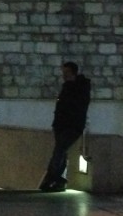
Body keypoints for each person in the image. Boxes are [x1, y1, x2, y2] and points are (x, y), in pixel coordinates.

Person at [39, 61, 91, 192]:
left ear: (73, 72)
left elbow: (74, 106)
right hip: (62, 125)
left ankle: (52, 178)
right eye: (63, 72)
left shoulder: (79, 88)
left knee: (59, 151)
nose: (64, 75)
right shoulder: (69, 86)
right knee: (60, 151)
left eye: (66, 72)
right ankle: (56, 179)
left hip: (72, 125)